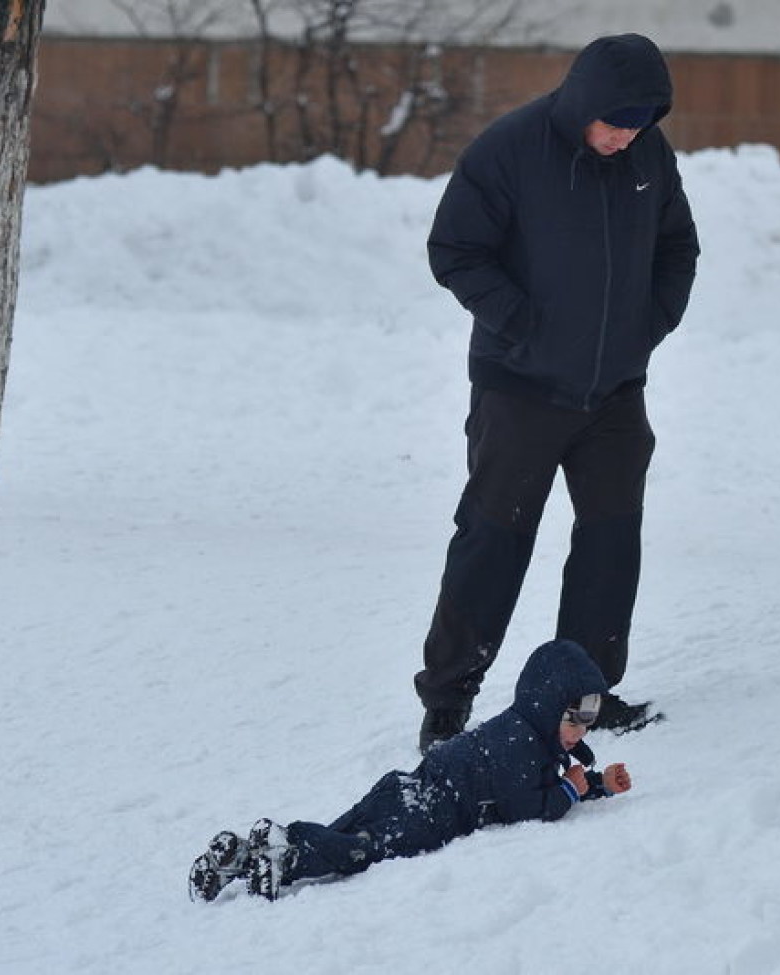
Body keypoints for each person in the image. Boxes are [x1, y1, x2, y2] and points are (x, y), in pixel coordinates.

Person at [416, 33, 700, 753]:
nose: (624, 135)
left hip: (614, 393)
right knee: (493, 539)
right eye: (615, 121)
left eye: (639, 123)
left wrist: (647, 327)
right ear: (583, 103)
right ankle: (449, 698)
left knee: (610, 545)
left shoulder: (648, 157)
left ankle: (585, 693)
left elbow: (678, 247)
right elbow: (455, 250)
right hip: (521, 389)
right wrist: (522, 323)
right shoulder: (508, 150)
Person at [189, 640, 633, 902]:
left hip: (405, 787)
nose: (580, 732)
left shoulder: (524, 732)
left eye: (588, 721)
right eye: (573, 718)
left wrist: (596, 784)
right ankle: (285, 860)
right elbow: (529, 807)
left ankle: (252, 853)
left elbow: (544, 781)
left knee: (347, 832)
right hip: (428, 813)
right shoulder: (520, 745)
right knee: (361, 850)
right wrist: (572, 792)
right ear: (546, 706)